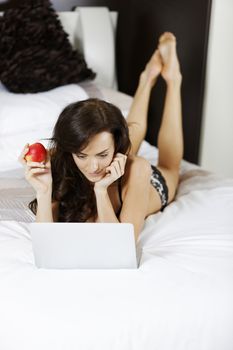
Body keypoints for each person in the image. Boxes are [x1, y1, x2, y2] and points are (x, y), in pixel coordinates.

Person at [19, 32, 183, 242]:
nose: (93, 167)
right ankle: (147, 78)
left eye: (102, 154)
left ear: (116, 146)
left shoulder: (138, 169)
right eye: (82, 155)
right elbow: (44, 240)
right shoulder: (60, 160)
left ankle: (173, 79)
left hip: (146, 184)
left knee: (170, 166)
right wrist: (43, 191)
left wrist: (102, 191)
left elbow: (121, 243)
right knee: (115, 140)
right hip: (114, 160)